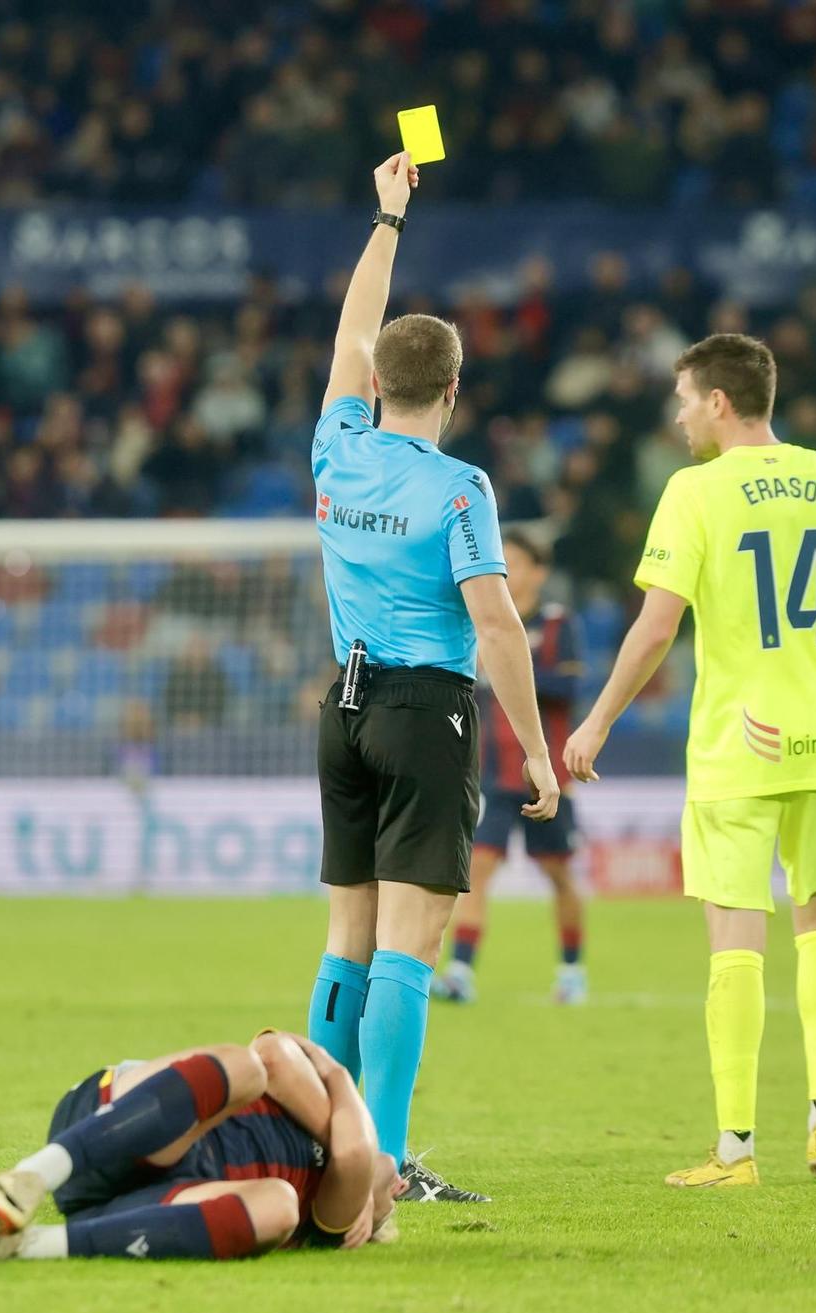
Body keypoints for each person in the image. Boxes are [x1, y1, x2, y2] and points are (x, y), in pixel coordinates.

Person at [563, 334, 816, 1188]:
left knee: (736, 935)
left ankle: (735, 1150)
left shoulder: (696, 491)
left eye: (687, 399)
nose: (682, 414)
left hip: (739, 746)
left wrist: (599, 720)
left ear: (720, 401)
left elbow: (657, 627)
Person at [306, 153, 560, 1205]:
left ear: (374, 385)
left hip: (343, 706)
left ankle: (319, 1139)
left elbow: (345, 336)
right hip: (423, 711)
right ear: (452, 390)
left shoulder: (337, 445)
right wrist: (536, 749)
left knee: (344, 937)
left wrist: (384, 217)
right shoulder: (459, 489)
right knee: (411, 943)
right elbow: (496, 623)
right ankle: (388, 1162)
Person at [0, 1030, 397, 1261]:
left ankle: (32, 1245)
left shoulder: (332, 1219)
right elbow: (272, 1051)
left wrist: (337, 1075)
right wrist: (341, 1115)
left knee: (278, 1206)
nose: (399, 1185)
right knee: (244, 1066)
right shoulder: (326, 1116)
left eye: (392, 1204)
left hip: (142, 1206)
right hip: (114, 1124)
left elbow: (356, 1155)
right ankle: (36, 1173)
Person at [434, 530, 593, 1005]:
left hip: (548, 775)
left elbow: (567, 689)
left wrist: (505, 663)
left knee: (559, 875)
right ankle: (461, 971)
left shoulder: (558, 624)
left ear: (539, 572)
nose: (510, 571)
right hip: (492, 773)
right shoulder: (483, 622)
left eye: (520, 563)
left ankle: (571, 974)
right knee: (477, 868)